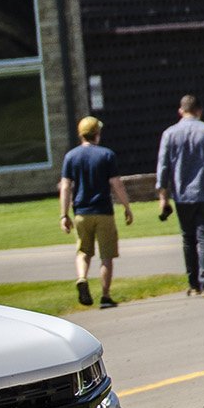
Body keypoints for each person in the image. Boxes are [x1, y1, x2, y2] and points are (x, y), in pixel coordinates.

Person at [156, 93, 204, 297]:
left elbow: (163, 167)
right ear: (199, 110)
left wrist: (163, 196)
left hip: (182, 195)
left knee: (188, 239)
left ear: (181, 111)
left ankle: (193, 284)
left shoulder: (169, 134)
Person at [58, 116, 133, 309]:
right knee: (106, 255)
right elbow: (116, 184)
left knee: (83, 252)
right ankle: (105, 296)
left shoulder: (71, 156)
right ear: (97, 134)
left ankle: (82, 278)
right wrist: (126, 207)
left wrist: (64, 214)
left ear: (81, 135)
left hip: (81, 212)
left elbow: (65, 187)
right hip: (103, 212)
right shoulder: (106, 155)